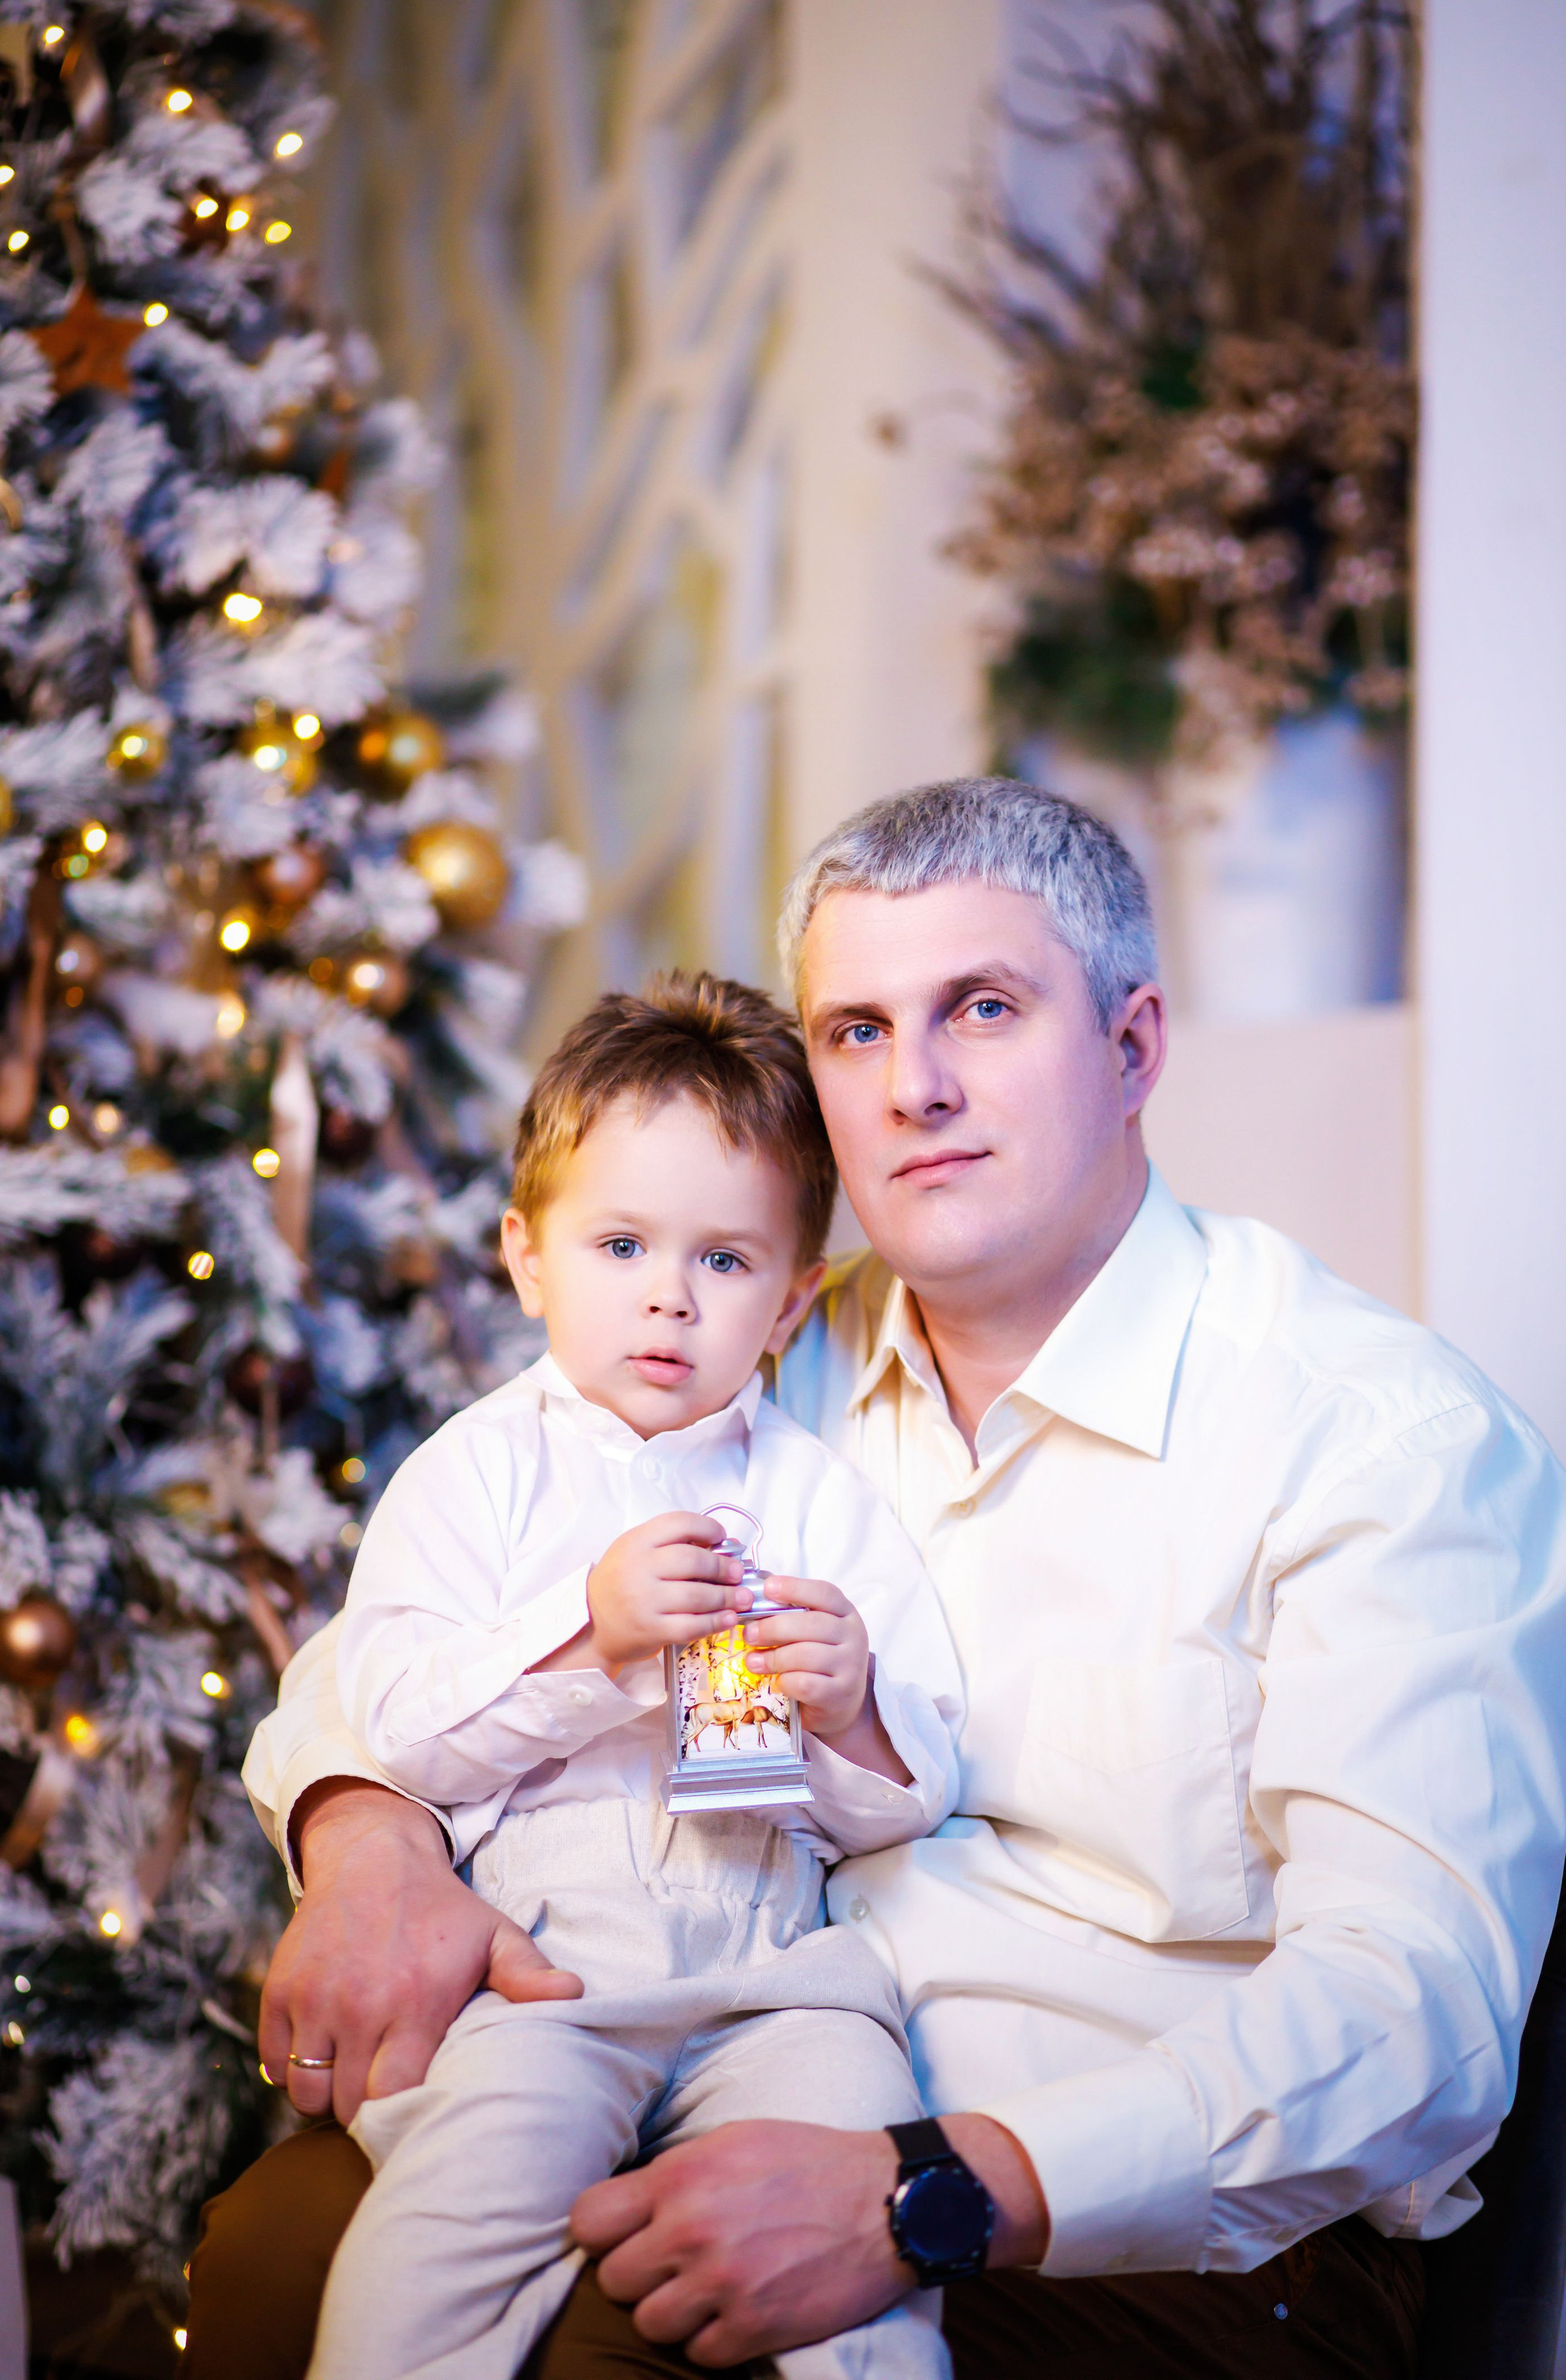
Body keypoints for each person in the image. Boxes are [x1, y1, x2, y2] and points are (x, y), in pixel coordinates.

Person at [190, 779, 1566, 2380]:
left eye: (981, 1009)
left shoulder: (1377, 1437)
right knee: (270, 2256)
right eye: (854, 1031)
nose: (915, 1086)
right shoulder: (759, 1334)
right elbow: (395, 1643)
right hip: (699, 2052)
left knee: (624, 2340)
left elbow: (1418, 2019)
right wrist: (369, 1838)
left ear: (1132, 1047)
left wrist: (930, 2190)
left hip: (1153, 2227)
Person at [291, 974, 962, 2380]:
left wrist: (852, 1713)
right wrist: (588, 1643)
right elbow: (401, 1725)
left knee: (867, 2232)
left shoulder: (819, 1499)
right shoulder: (473, 1474)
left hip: (776, 1982)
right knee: (434, 2240)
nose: (667, 1294)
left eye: (723, 1262)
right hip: (550, 1978)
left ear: (791, 1302)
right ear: (527, 1257)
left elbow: (906, 1805)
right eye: (618, 1245)